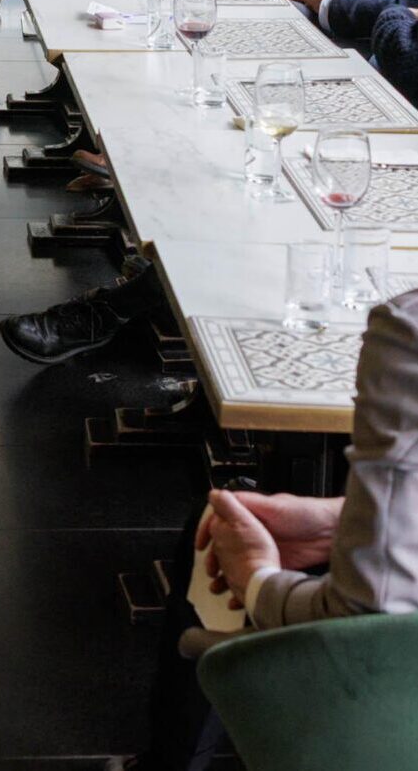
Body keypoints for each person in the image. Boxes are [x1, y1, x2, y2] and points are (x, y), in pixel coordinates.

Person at [109, 288, 418, 770]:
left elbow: (371, 619)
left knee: (218, 530)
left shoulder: (407, 330)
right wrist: (344, 522)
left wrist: (256, 581)